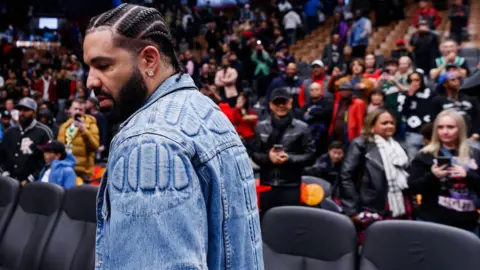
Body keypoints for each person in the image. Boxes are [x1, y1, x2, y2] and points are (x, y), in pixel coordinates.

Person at [83, 4, 262, 269]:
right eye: (89, 67)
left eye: (103, 66)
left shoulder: (147, 143)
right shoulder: (207, 110)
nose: (90, 82)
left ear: (149, 60)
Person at [408, 109, 480, 233]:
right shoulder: (426, 154)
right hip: (433, 223)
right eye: (440, 127)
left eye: (450, 127)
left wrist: (468, 175)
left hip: (467, 224)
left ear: (460, 129)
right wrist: (432, 175)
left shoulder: (475, 154)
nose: (445, 132)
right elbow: (413, 188)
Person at [340, 109, 412, 229]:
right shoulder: (361, 144)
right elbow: (346, 176)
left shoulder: (399, 147)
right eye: (384, 123)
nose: (389, 126)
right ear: (372, 126)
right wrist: (352, 210)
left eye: (392, 123)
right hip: (371, 205)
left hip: (399, 204)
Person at [251, 88, 316, 214]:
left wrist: (289, 158)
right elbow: (254, 154)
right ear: (270, 105)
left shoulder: (302, 128)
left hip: (291, 185)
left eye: (284, 102)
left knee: (290, 224)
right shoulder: (260, 127)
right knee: (268, 223)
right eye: (277, 103)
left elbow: (311, 156)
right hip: (267, 185)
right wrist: (268, 158)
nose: (281, 106)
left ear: (290, 103)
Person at [0, 97, 53, 184]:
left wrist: (31, 178)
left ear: (34, 113)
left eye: (26, 110)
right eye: (20, 110)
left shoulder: (44, 132)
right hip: (8, 181)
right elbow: (2, 155)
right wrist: (4, 173)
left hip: (33, 184)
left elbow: (48, 160)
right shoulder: (9, 132)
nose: (22, 113)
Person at [57, 98, 99, 181]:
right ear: (70, 110)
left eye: (81, 109)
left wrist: (84, 131)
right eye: (75, 109)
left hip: (82, 172)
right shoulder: (64, 126)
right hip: (65, 168)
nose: (78, 111)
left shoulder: (91, 125)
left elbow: (95, 146)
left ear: (84, 111)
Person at [432, 72, 480, 140]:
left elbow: (477, 117)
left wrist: (476, 135)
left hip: (470, 137)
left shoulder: (471, 98)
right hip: (448, 137)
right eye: (453, 80)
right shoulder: (438, 100)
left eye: (458, 79)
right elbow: (435, 120)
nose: (457, 81)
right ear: (445, 84)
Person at [397, 71, 434, 159]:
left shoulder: (430, 93)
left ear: (422, 80)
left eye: (417, 80)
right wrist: (410, 95)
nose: (414, 83)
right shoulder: (404, 95)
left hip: (430, 134)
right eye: (411, 80)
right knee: (413, 161)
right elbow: (403, 112)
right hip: (413, 133)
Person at [301, 82, 333, 155]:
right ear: (309, 92)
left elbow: (326, 112)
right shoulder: (307, 104)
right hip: (309, 138)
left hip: (324, 138)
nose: (314, 91)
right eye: (312, 90)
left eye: (316, 89)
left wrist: (311, 112)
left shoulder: (327, 102)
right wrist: (318, 113)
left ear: (321, 90)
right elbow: (302, 116)